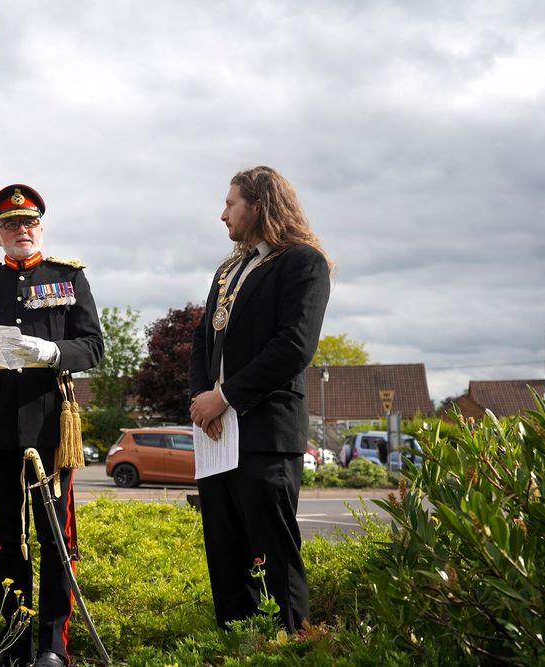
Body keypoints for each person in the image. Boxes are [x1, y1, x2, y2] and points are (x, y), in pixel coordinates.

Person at [0, 184, 104, 667]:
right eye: (10, 224)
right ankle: (14, 641)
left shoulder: (67, 277)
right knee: (6, 537)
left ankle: (53, 647)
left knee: (54, 537)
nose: (22, 229)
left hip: (50, 427)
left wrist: (52, 352)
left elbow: (94, 346)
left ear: (41, 225)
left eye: (29, 221)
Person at [188, 166, 332, 633]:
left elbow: (294, 346)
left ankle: (293, 646)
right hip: (216, 432)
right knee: (225, 554)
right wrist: (200, 402)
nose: (222, 214)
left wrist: (225, 397)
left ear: (259, 204)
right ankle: (234, 643)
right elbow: (201, 343)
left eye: (230, 203)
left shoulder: (303, 262)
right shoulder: (228, 268)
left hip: (266, 432)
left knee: (274, 554)